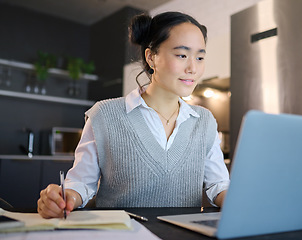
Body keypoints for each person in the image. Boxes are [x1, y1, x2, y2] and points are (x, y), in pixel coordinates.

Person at [37, 11, 230, 219]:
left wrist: (243, 201)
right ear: (151, 57)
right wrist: (63, 199)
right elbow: (81, 183)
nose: (193, 68)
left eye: (200, 57)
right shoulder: (104, 115)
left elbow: (218, 185)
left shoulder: (205, 121)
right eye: (182, 55)